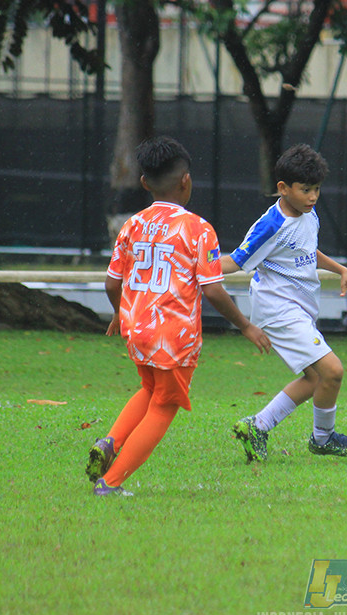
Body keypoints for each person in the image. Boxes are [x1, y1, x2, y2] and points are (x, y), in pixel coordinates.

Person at [85, 136, 271, 496]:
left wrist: (117, 314)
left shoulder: (132, 225)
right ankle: (110, 483)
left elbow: (112, 282)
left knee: (150, 388)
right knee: (165, 405)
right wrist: (246, 325)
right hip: (173, 336)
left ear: (144, 183)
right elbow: (213, 289)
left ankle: (110, 443)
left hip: (135, 329)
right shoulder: (198, 229)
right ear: (186, 181)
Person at [221, 143, 347, 462]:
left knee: (315, 378)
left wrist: (341, 269)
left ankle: (257, 426)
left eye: (316, 189)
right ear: (283, 189)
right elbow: (234, 262)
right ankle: (323, 438)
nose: (313, 196)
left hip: (299, 307)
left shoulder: (307, 212)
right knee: (333, 370)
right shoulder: (271, 225)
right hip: (277, 310)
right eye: (306, 190)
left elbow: (304, 252)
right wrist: (190, 269)